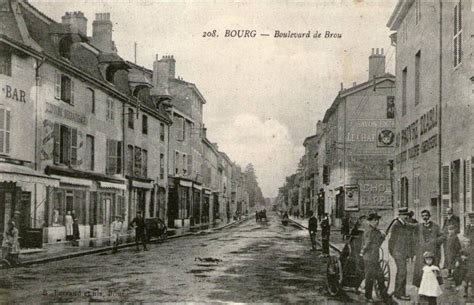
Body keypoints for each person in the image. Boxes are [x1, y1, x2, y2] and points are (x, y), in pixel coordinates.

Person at [401, 209, 444, 288]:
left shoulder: (436, 226)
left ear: (429, 216)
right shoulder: (418, 226)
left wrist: (435, 241)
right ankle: (421, 287)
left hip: (433, 251)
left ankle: (433, 287)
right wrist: (401, 220)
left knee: (432, 269)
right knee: (420, 270)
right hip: (421, 252)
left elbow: (443, 236)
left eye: (426, 216)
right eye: (423, 216)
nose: (425, 218)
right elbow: (409, 226)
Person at [359, 213, 390, 303]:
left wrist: (382, 235)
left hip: (375, 257)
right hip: (369, 258)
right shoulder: (369, 230)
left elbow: (379, 241)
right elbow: (367, 243)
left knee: (380, 276)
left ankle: (384, 295)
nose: (377, 222)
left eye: (378, 220)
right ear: (371, 221)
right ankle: (367, 296)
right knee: (370, 277)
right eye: (375, 220)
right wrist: (362, 252)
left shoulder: (375, 230)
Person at [388, 210, 411, 301]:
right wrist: (393, 252)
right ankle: (400, 294)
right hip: (398, 253)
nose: (406, 217)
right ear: (400, 215)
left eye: (407, 215)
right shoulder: (396, 225)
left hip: (402, 252)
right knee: (402, 273)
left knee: (402, 272)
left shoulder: (403, 224)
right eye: (404, 215)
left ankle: (398, 292)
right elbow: (391, 240)